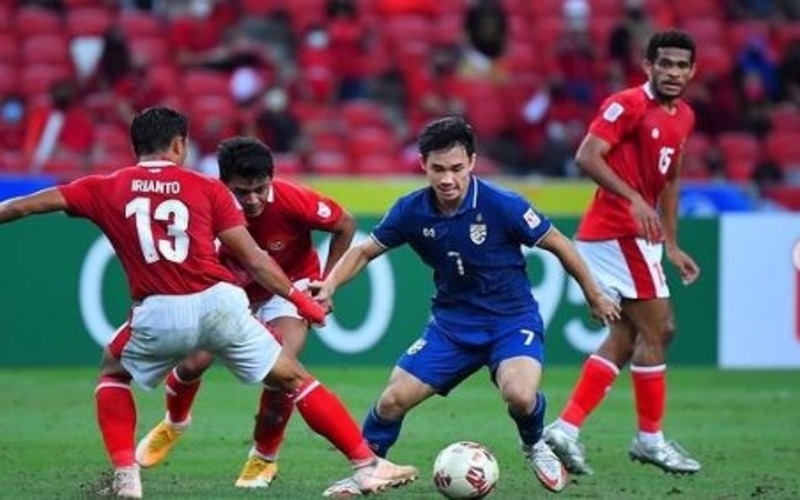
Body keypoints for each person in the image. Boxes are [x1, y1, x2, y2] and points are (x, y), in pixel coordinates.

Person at [0, 106, 417, 498]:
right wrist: (301, 299)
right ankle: (366, 463)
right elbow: (255, 259)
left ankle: (127, 477)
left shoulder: (104, 186)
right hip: (220, 301)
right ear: (180, 144)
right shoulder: (206, 189)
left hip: (159, 308)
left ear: (134, 148)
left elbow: (26, 205)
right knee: (293, 377)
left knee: (113, 373)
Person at [314, 116, 622, 496]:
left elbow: (558, 243)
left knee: (521, 396)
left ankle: (534, 444)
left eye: (457, 168)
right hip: (452, 326)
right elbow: (363, 251)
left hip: (511, 320)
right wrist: (329, 286)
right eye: (437, 169)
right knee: (392, 399)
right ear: (423, 164)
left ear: (472, 163)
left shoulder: (502, 204)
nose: (447, 179)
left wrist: (594, 294)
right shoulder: (411, 210)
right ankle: (368, 469)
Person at [135, 135, 357, 488]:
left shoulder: (293, 200)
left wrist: (327, 283)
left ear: (271, 179)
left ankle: (263, 458)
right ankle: (175, 423)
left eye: (260, 189)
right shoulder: (203, 205)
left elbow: (345, 223)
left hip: (290, 285)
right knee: (192, 363)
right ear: (223, 185)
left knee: (281, 371)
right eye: (242, 191)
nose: (253, 200)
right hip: (231, 291)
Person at [542, 30, 703, 476]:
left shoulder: (684, 116)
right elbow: (587, 155)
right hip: (617, 231)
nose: (673, 72)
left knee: (629, 337)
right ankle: (650, 439)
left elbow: (670, 182)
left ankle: (565, 429)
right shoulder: (627, 104)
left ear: (692, 71)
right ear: (647, 65)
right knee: (661, 329)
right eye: (664, 63)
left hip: (638, 235)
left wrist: (671, 243)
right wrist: (633, 198)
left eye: (681, 65)